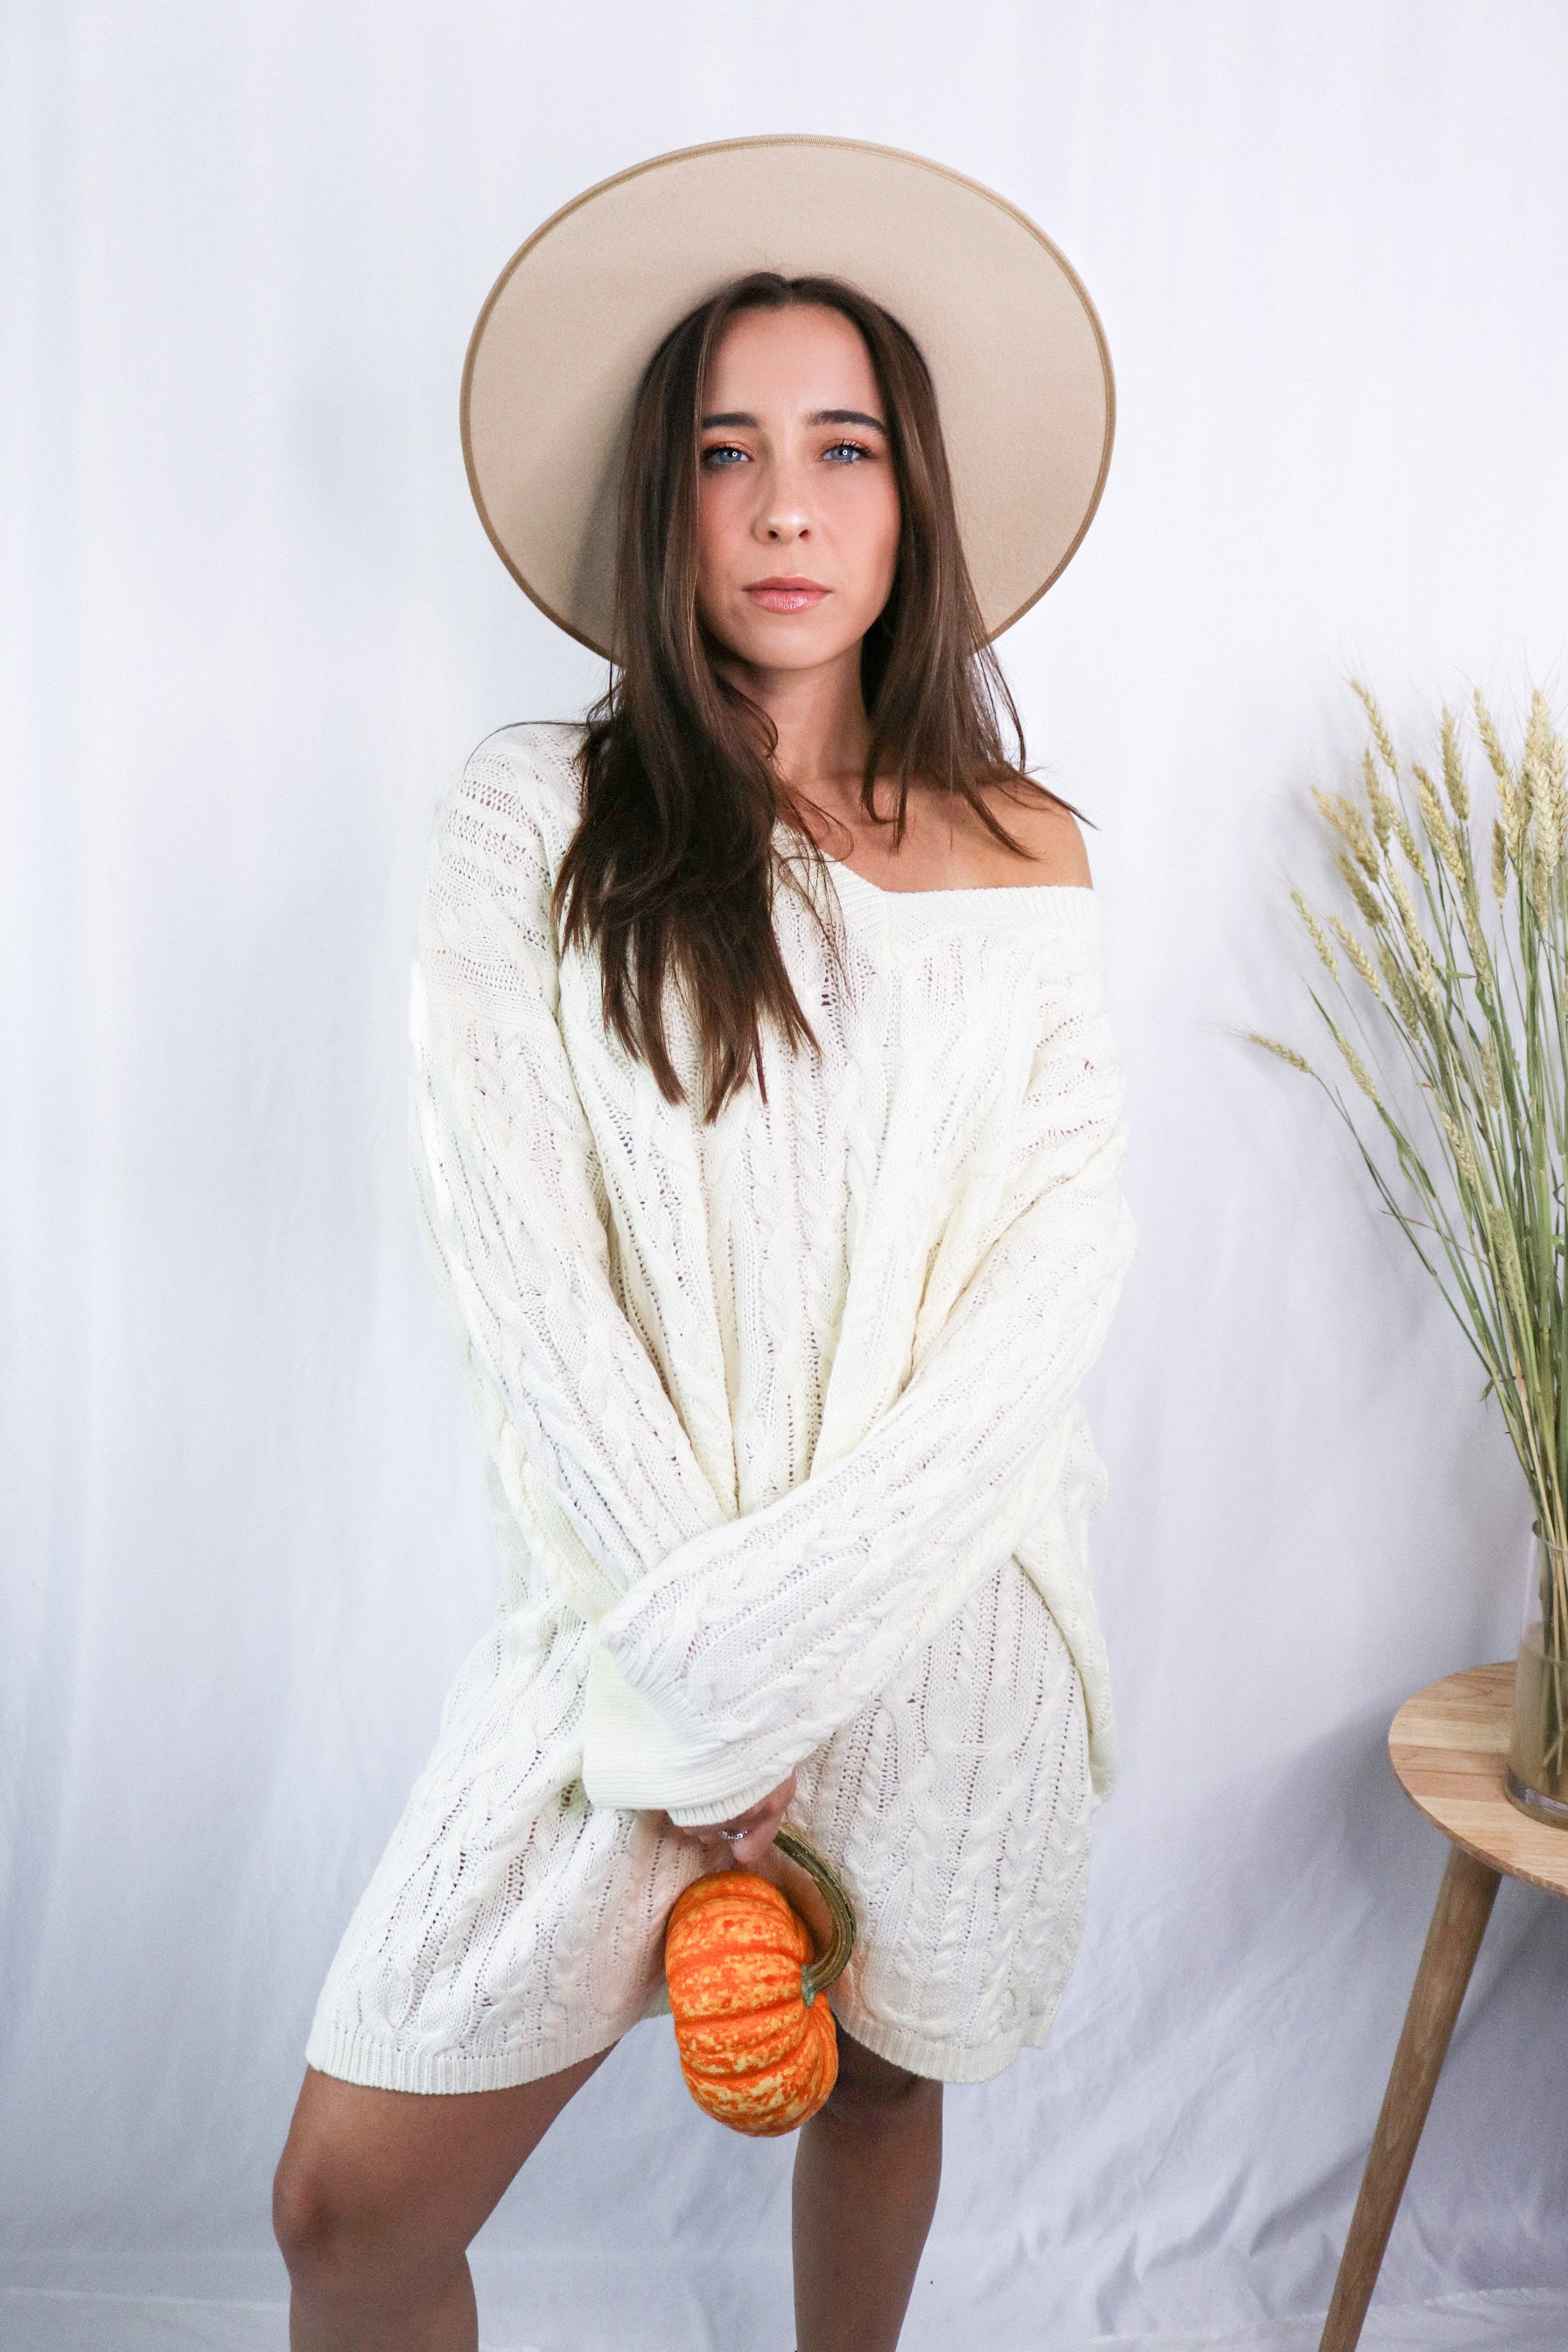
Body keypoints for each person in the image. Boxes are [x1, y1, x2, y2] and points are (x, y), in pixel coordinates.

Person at [272, 136, 1138, 2352]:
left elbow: (1048, 1285)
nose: (781, 507)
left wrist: (811, 1641)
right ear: (665, 507)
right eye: (725, 454)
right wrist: (712, 1688)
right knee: (350, 2207)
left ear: (909, 501)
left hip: (941, 1619)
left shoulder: (1027, 853)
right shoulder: (535, 821)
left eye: (839, 449)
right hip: (637, 1638)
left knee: (878, 2091)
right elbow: (529, 1290)